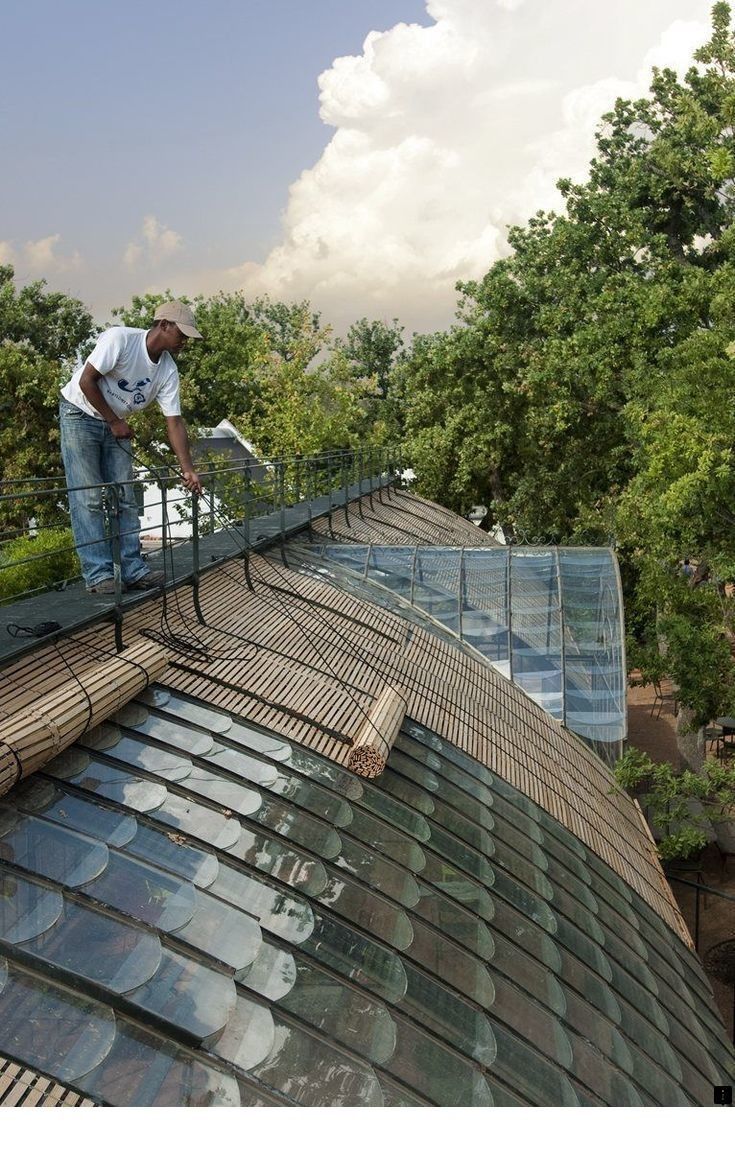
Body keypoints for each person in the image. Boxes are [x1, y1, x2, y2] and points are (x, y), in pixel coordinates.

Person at [59, 300, 204, 594]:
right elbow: (88, 381)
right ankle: (98, 575)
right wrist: (114, 421)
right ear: (163, 325)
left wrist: (187, 469)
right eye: (182, 334)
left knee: (124, 495)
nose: (184, 342)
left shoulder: (168, 370)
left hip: (115, 423)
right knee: (87, 496)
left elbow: (174, 421)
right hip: (79, 413)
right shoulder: (120, 340)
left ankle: (133, 569)